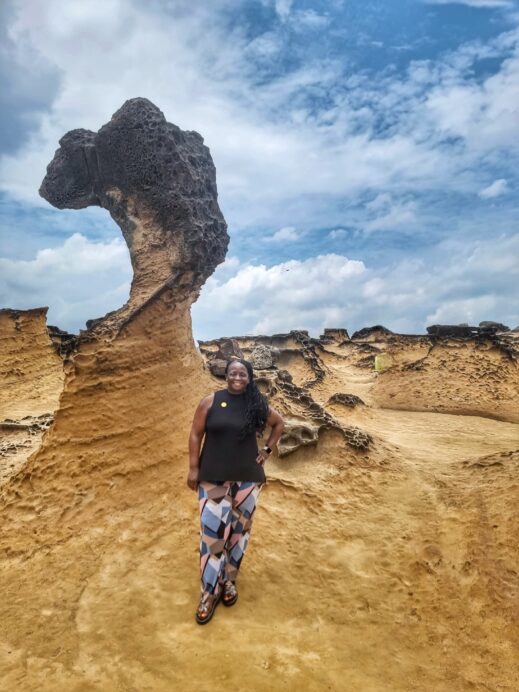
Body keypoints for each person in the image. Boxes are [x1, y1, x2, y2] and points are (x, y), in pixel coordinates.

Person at [187, 358, 285, 624]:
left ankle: (229, 582)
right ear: (226, 376)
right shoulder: (210, 401)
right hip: (213, 479)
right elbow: (195, 435)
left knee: (238, 534)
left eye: (242, 373)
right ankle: (209, 593)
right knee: (212, 536)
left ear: (249, 377)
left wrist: (266, 450)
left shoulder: (257, 405)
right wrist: (194, 468)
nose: (237, 377)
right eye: (233, 372)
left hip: (247, 480)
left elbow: (279, 423)